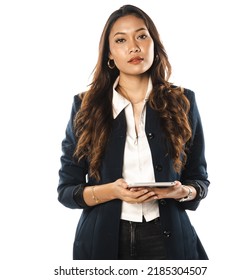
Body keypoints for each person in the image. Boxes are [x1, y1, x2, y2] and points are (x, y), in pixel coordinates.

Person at [58, 4, 210, 260]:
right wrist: (112, 191)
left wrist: (182, 191)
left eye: (142, 36)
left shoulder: (182, 101)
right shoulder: (85, 107)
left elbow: (199, 178)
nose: (134, 47)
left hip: (169, 239)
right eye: (121, 40)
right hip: (104, 242)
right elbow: (67, 191)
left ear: (154, 44)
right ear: (110, 54)